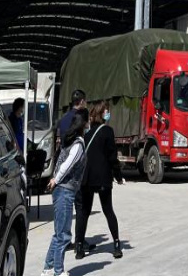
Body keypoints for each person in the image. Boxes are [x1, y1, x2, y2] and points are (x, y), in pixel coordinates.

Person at [75, 102, 125, 260]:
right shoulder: (108, 131)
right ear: (102, 114)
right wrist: (118, 176)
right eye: (106, 111)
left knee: (84, 212)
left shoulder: (87, 133)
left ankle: (79, 247)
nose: (108, 113)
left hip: (87, 177)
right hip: (103, 177)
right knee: (108, 210)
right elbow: (112, 157)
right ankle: (116, 245)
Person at [42, 110, 87, 277]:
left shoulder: (69, 140)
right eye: (87, 122)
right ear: (83, 125)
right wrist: (56, 179)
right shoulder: (78, 144)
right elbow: (67, 164)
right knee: (64, 235)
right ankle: (58, 271)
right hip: (65, 191)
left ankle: (48, 268)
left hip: (61, 190)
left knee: (58, 233)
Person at [57, 89, 93, 251]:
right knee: (80, 206)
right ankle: (79, 241)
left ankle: (63, 238)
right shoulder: (80, 117)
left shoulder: (64, 118)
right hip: (75, 167)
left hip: (63, 162)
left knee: (65, 208)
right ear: (82, 101)